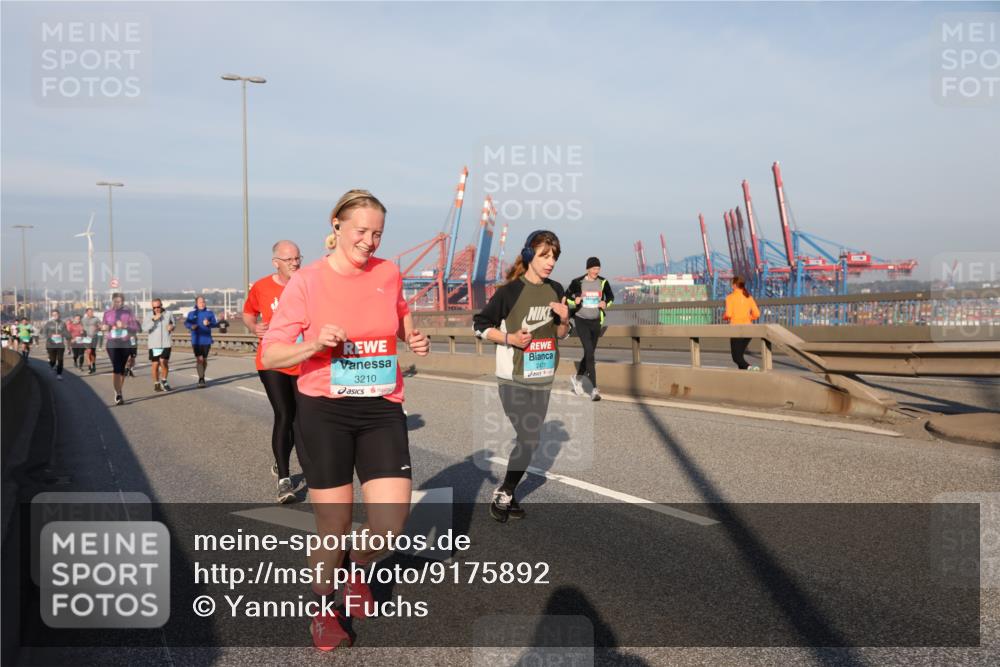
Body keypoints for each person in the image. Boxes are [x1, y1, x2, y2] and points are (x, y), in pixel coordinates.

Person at [261, 189, 429, 651]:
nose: (370, 242)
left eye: (377, 233)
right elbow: (272, 351)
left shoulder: (389, 273)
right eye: (361, 231)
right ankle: (323, 607)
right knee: (332, 527)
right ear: (336, 226)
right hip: (324, 412)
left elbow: (398, 314)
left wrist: (411, 334)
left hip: (381, 406)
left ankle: (357, 567)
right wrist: (313, 344)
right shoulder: (308, 281)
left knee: (391, 526)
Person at [473, 230, 570, 523]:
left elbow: (561, 335)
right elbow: (479, 325)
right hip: (512, 378)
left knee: (530, 439)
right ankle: (505, 492)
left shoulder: (556, 288)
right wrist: (509, 339)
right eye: (544, 255)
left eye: (554, 256)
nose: (550, 262)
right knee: (528, 436)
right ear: (529, 256)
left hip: (542, 378)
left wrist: (565, 319)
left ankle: (508, 491)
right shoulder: (510, 292)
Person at [244, 240, 305, 504]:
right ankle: (284, 478)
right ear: (276, 262)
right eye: (289, 259)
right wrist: (253, 327)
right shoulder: (261, 287)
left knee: (301, 419)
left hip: (303, 359)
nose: (295, 263)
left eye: (297, 258)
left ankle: (281, 458)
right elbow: (248, 313)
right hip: (272, 361)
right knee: (284, 413)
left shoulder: (307, 283)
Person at [566, 256, 615, 401]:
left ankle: (577, 378)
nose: (596, 271)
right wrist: (574, 301)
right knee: (589, 352)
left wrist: (605, 303)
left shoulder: (603, 282)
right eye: (594, 268)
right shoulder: (577, 282)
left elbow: (611, 297)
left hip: (595, 322)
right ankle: (594, 389)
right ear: (588, 268)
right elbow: (566, 296)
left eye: (598, 268)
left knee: (590, 352)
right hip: (581, 321)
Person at [102, 292, 140, 405]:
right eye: (116, 301)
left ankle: (118, 390)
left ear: (123, 302)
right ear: (112, 301)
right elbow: (103, 327)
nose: (118, 303)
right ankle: (118, 394)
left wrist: (125, 326)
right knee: (117, 367)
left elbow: (136, 327)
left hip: (125, 343)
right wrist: (105, 327)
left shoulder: (128, 313)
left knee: (122, 369)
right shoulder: (107, 313)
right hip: (112, 343)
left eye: (120, 301)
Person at [723, 276, 761, 370]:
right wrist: (748, 318)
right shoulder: (749, 297)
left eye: (732, 284)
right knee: (740, 357)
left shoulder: (730, 297)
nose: (731, 286)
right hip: (748, 330)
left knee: (736, 358)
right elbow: (757, 314)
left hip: (736, 330)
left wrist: (724, 317)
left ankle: (750, 368)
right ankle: (744, 377)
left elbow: (728, 314)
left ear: (735, 285)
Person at [185, 296, 218, 388]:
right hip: (196, 340)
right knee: (200, 359)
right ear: (196, 303)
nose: (202, 303)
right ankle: (201, 379)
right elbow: (186, 323)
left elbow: (215, 324)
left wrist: (209, 323)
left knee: (204, 360)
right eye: (200, 302)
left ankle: (202, 374)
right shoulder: (192, 314)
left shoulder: (209, 313)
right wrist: (191, 326)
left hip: (207, 340)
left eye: (203, 302)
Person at [145, 298, 174, 391]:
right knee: (155, 364)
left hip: (166, 343)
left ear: (161, 305)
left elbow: (173, 324)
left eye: (158, 306)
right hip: (154, 345)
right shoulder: (149, 315)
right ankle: (156, 383)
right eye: (154, 307)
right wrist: (153, 320)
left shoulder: (168, 314)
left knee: (163, 362)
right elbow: (144, 328)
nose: (156, 309)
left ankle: (164, 381)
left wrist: (172, 327)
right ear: (152, 307)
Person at [42, 310, 70, 381]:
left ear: (59, 314)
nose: (55, 316)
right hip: (50, 344)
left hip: (60, 345)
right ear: (52, 315)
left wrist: (67, 336)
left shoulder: (63, 323)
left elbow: (65, 332)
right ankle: (51, 364)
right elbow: (44, 333)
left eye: (56, 314)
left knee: (60, 359)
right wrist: (50, 336)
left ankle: (59, 374)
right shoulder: (48, 323)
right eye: (53, 315)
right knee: (53, 360)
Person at [81, 307, 101, 374]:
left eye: (92, 312)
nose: (91, 313)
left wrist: (98, 327)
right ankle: (89, 367)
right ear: (86, 313)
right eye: (89, 312)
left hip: (94, 337)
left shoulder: (96, 319)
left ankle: (94, 365)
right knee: (88, 352)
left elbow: (101, 326)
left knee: (93, 352)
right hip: (86, 337)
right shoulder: (83, 320)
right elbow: (80, 327)